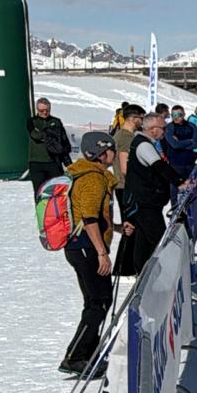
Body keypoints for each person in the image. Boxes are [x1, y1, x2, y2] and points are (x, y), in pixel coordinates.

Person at [60, 131, 128, 376]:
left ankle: (85, 352)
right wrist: (102, 253)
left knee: (100, 300)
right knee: (97, 302)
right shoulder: (92, 179)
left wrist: (117, 227)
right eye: (110, 149)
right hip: (86, 248)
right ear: (100, 153)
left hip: (84, 246)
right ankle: (76, 356)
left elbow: (95, 216)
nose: (113, 153)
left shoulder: (95, 175)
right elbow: (89, 218)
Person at [117, 114, 187, 276]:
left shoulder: (144, 142)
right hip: (145, 201)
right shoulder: (143, 145)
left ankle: (141, 273)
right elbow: (159, 166)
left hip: (145, 201)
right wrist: (180, 182)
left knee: (143, 240)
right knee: (158, 240)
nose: (165, 131)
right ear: (153, 129)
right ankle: (161, 276)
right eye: (163, 128)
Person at [26, 97, 73, 195]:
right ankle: (40, 210)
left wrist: (68, 162)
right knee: (40, 192)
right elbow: (35, 135)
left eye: (47, 110)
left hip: (54, 162)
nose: (44, 112)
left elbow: (63, 142)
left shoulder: (56, 122)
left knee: (56, 192)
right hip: (36, 163)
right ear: (37, 110)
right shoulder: (31, 121)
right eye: (41, 110)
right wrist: (50, 135)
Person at [111, 104, 146, 214]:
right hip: (127, 186)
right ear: (134, 119)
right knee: (131, 226)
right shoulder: (126, 137)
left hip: (123, 185)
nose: (143, 122)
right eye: (141, 118)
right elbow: (125, 167)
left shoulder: (119, 134)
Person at [164, 106, 197, 174]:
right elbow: (175, 145)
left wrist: (180, 144)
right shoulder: (169, 127)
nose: (176, 117)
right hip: (175, 164)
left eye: (179, 115)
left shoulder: (192, 126)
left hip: (190, 162)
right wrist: (190, 141)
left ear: (184, 114)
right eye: (174, 115)